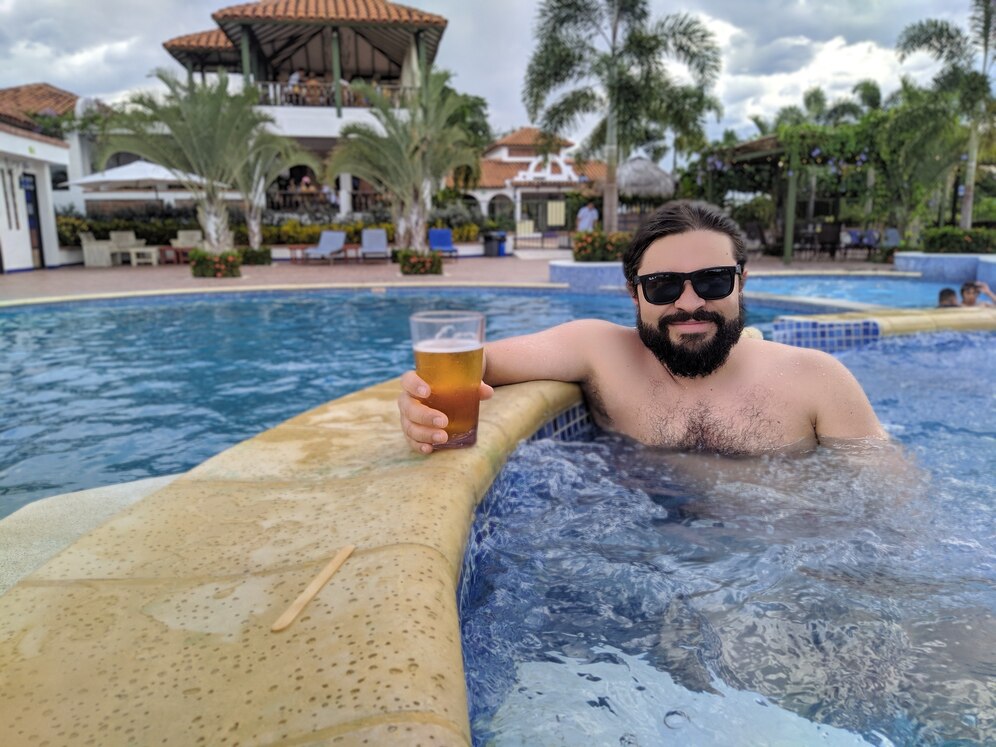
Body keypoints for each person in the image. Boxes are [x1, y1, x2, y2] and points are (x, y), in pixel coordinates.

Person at [398, 202, 887, 456]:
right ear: (633, 292)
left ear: (741, 282)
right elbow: (479, 361)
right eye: (663, 287)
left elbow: (889, 510)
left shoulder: (819, 380)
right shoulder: (599, 352)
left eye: (712, 281)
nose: (690, 303)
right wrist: (419, 398)